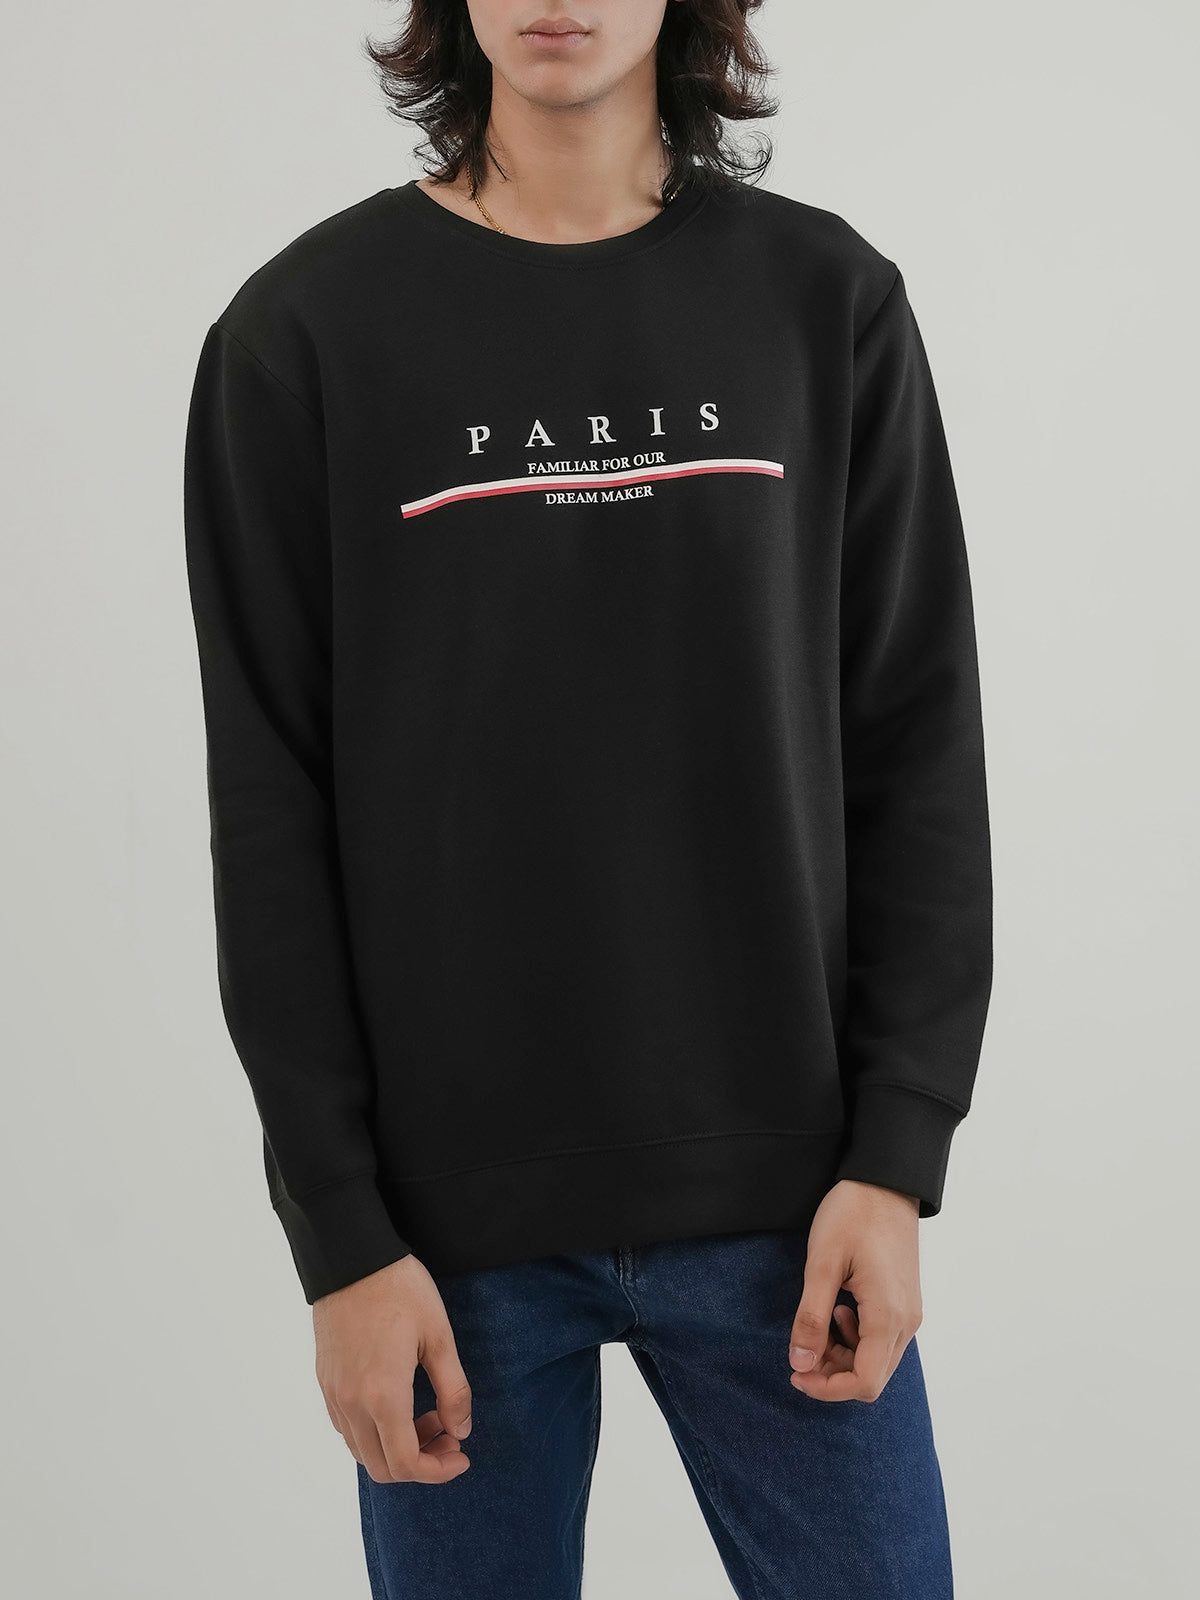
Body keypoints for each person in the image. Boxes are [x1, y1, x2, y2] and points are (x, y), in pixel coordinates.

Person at [182, 3, 992, 1595]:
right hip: (443, 1253)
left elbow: (917, 745)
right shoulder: (303, 336)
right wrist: (340, 1241)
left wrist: (897, 1156)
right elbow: (268, 816)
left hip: (789, 1214)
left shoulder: (824, 303)